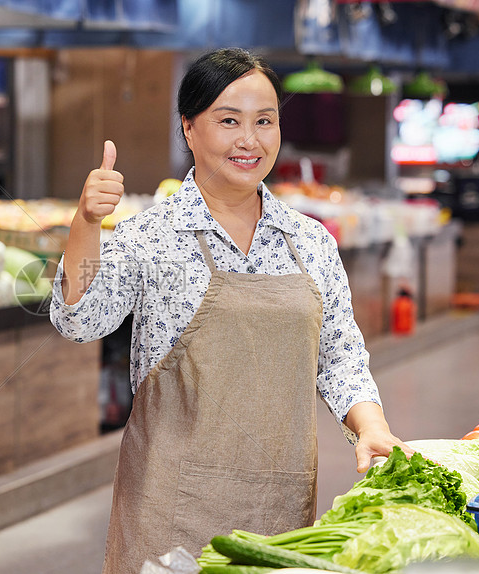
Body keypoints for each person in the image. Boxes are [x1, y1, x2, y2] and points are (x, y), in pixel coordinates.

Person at [49, 47, 412, 573]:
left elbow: (339, 357)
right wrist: (85, 222)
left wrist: (371, 425)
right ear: (189, 128)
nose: (250, 140)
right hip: (168, 508)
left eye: (265, 121)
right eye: (228, 120)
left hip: (280, 508)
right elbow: (79, 322)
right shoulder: (149, 236)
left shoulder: (309, 240)